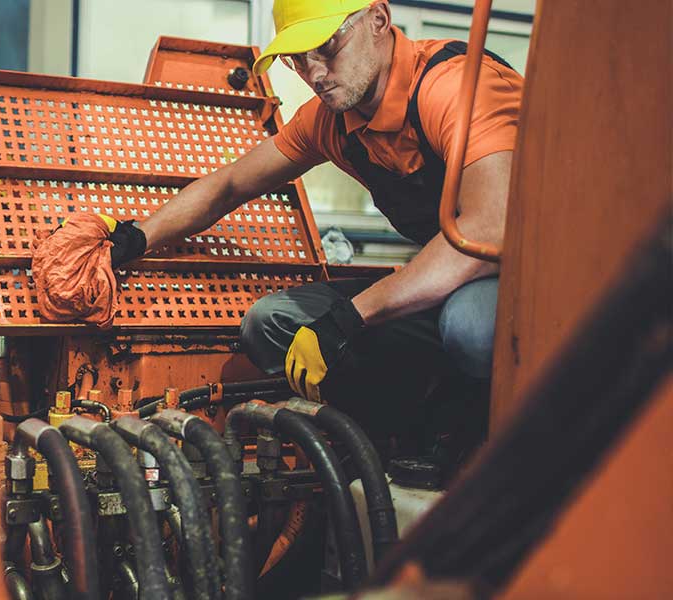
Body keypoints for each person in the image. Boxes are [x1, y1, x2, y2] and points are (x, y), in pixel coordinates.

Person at [50, 0, 523, 439]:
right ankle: (401, 436)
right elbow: (231, 183)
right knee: (271, 322)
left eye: (328, 46)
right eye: (298, 59)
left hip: (530, 283)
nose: (314, 73)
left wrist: (351, 317)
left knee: (471, 328)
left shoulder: (453, 87)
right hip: (446, 280)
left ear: (378, 20)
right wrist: (137, 237)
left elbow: (484, 230)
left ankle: (478, 437)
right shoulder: (333, 121)